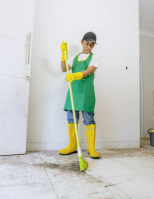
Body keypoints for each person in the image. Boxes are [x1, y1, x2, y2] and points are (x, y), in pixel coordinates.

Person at [59, 31, 100, 159]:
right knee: (72, 119)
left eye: (92, 45)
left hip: (86, 93)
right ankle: (72, 146)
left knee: (88, 119)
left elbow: (89, 71)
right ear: (82, 42)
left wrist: (76, 75)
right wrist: (63, 54)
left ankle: (91, 149)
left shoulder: (94, 57)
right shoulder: (74, 58)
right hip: (73, 92)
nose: (89, 47)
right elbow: (64, 68)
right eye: (87, 44)